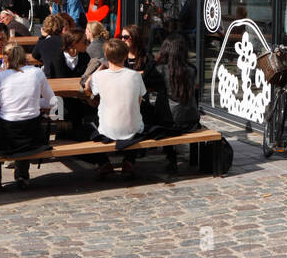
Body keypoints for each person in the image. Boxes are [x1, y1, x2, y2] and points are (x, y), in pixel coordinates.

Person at [0, 44, 54, 189]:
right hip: (34, 137)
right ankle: (22, 176)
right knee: (26, 125)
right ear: (25, 58)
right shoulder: (36, 73)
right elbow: (52, 102)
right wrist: (33, 102)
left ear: (5, 59)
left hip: (9, 139)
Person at [85, 38, 145, 179]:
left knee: (85, 126)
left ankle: (104, 163)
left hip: (108, 130)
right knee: (137, 122)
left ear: (106, 55)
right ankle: (129, 161)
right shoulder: (135, 76)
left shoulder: (99, 76)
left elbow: (88, 86)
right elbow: (140, 100)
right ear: (125, 56)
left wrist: (101, 66)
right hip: (133, 128)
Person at [142, 33, 201, 173]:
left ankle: (171, 157)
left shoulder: (160, 70)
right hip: (191, 121)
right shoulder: (192, 69)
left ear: (165, 50)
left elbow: (145, 80)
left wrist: (154, 61)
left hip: (168, 123)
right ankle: (174, 158)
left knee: (148, 110)